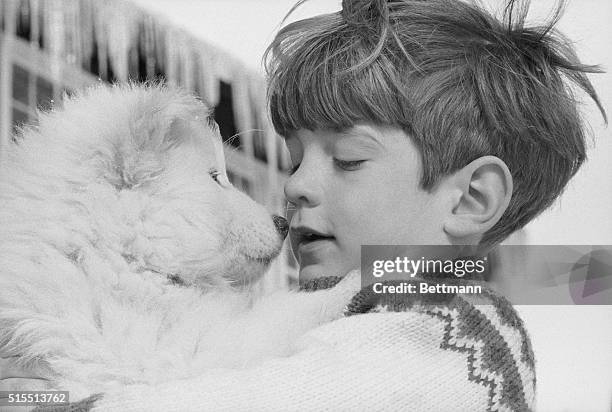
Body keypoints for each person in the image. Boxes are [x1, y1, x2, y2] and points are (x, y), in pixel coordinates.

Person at [6, 0, 607, 410]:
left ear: (472, 199)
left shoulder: (462, 342)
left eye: (347, 159)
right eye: (294, 160)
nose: (292, 188)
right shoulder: (336, 320)